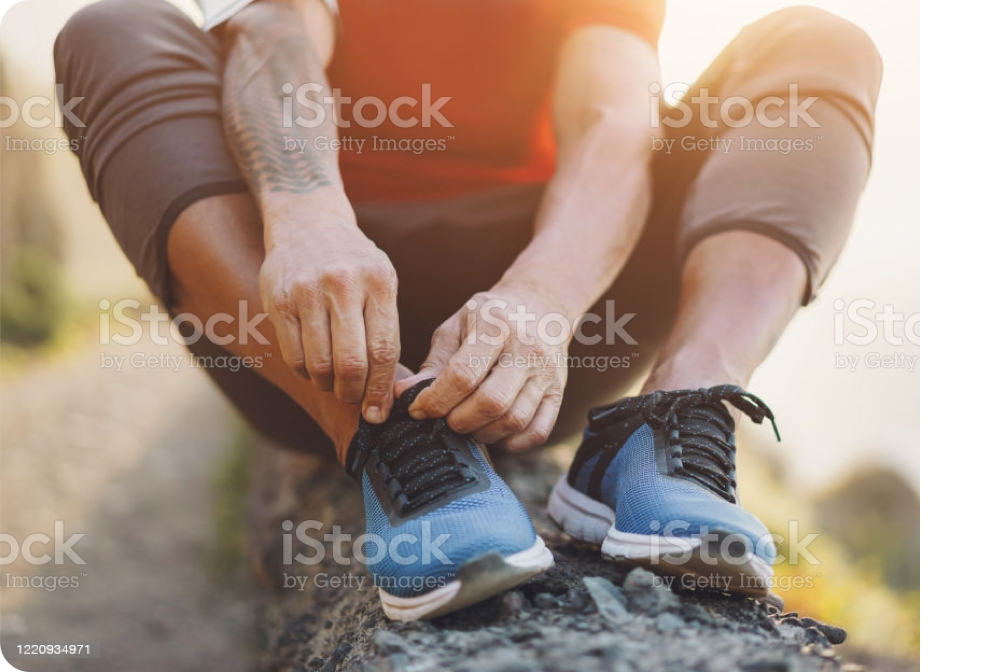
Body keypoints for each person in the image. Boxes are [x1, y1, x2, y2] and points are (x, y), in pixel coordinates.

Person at [55, 0, 881, 620]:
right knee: (111, 29)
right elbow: (276, 36)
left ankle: (671, 416)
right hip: (306, 317)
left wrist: (542, 300)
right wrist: (306, 218)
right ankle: (381, 433)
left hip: (556, 328)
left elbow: (612, 119)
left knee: (819, 43)